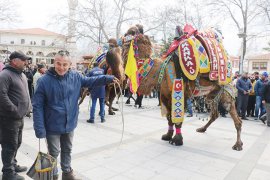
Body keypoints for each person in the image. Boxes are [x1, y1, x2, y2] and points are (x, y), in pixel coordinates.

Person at [32, 50, 118, 180]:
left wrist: (107, 78)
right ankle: (53, 176)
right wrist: (39, 128)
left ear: (70, 64)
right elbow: (37, 106)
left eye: (65, 64)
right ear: (54, 63)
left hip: (70, 122)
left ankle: (67, 173)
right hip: (52, 125)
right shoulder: (44, 81)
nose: (61, 67)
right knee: (53, 153)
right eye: (58, 64)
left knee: (67, 149)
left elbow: (90, 81)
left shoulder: (76, 76)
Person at [0, 51, 32, 180]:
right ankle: (7, 173)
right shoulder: (5, 75)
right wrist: (14, 110)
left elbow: (26, 94)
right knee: (9, 145)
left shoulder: (21, 75)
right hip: (9, 118)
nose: (26, 62)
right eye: (23, 60)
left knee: (17, 143)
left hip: (19, 117)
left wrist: (28, 108)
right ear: (14, 61)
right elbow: (1, 96)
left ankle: (12, 164)